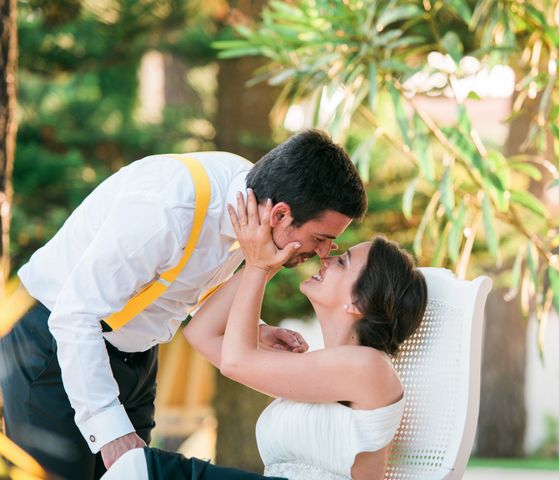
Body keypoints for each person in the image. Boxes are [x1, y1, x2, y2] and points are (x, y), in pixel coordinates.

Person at [0, 129, 367, 480]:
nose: (322, 253)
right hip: (54, 348)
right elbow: (75, 315)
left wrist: (255, 330)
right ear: (281, 215)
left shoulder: (247, 203)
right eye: (320, 239)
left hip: (137, 356)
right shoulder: (167, 209)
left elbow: (186, 282)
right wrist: (109, 431)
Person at [176, 189, 428, 479]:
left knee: (148, 468)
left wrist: (260, 264)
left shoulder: (370, 368)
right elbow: (202, 334)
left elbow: (235, 361)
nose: (326, 259)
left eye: (343, 262)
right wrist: (278, 254)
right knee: (143, 467)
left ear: (358, 303)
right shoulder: (318, 369)